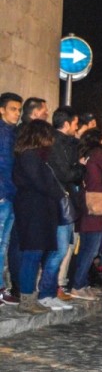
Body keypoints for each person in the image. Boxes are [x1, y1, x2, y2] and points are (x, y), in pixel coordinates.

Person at [12, 120, 66, 314]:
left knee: (34, 254)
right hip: (33, 211)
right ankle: (27, 299)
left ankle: (29, 297)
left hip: (38, 210)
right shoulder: (30, 156)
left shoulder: (35, 156)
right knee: (32, 255)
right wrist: (58, 192)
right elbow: (41, 183)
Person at [69, 128, 102, 300]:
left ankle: (82, 283)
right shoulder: (98, 154)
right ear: (99, 140)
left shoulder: (84, 153)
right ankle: (78, 285)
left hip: (84, 203)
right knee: (91, 248)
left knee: (85, 247)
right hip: (96, 205)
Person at [48, 106, 85, 302]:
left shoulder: (68, 143)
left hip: (67, 199)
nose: (77, 127)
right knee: (59, 249)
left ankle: (52, 289)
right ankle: (48, 290)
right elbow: (66, 174)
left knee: (63, 248)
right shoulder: (56, 144)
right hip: (59, 201)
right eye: (75, 123)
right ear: (66, 123)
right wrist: (81, 167)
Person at [0, 92, 22, 306]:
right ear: (2, 109)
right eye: (13, 109)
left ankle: (1, 288)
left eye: (19, 110)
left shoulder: (13, 133)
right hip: (3, 196)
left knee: (3, 244)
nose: (17, 113)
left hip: (11, 195)